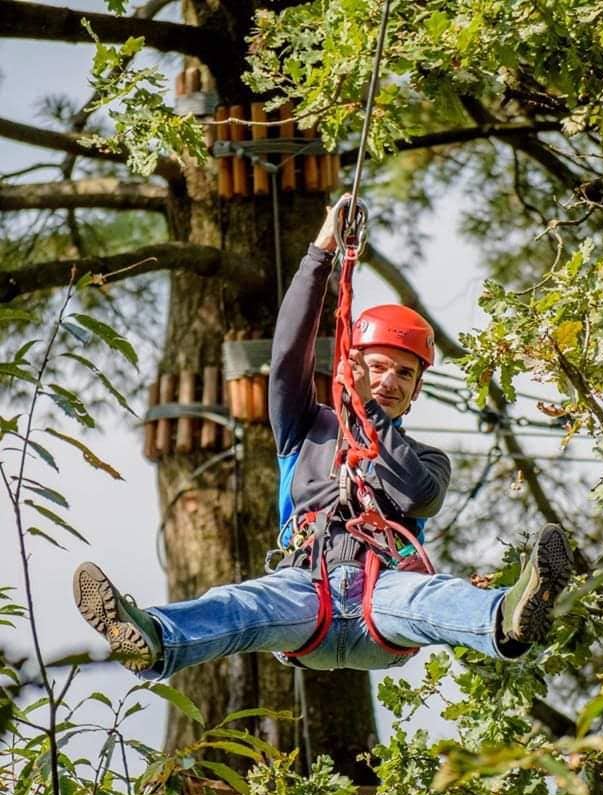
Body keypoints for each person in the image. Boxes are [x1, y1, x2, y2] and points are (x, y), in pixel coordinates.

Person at [73, 202, 574, 677]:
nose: (389, 381)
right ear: (351, 368)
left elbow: (419, 496)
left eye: (404, 374)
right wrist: (321, 252)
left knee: (434, 597)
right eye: (377, 367)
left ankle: (508, 618)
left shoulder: (425, 459)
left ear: (416, 391)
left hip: (386, 595)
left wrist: (369, 411)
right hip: (305, 590)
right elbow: (289, 351)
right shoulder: (305, 426)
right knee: (239, 605)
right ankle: (154, 637)